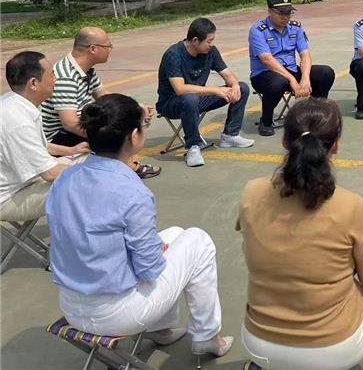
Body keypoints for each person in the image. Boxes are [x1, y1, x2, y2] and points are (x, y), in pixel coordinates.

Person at [46, 93, 232, 359]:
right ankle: (207, 336)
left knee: (175, 234)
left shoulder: (66, 177)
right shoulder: (131, 190)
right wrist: (156, 252)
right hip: (118, 313)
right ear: (134, 136)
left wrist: (155, 249)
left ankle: (162, 330)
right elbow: (149, 268)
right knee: (198, 240)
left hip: (73, 305)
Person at [238, 98, 363, 370]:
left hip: (259, 344)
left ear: (284, 141)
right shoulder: (351, 205)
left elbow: (250, 250)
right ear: (335, 145)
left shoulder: (251, 192)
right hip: (331, 352)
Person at [40, 27, 160, 179]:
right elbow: (69, 123)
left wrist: (134, 108)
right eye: (108, 46)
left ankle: (123, 163)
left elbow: (104, 96)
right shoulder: (66, 77)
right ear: (93, 49)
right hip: (60, 136)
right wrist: (105, 134)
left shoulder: (86, 70)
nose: (110, 49)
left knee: (119, 119)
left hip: (78, 125)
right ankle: (127, 166)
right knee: (116, 131)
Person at [1, 52, 87, 225]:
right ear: (34, 83)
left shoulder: (15, 102)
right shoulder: (18, 120)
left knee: (87, 159)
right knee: (87, 182)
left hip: (22, 182)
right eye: (52, 74)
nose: (56, 79)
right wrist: (96, 171)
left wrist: (72, 151)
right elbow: (49, 174)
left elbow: (38, 146)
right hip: (8, 197)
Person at [157, 17, 254, 168]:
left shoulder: (210, 51)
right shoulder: (174, 54)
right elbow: (180, 89)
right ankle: (193, 146)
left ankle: (230, 135)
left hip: (197, 99)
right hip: (172, 103)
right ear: (195, 40)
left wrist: (234, 84)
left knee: (242, 88)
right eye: (209, 41)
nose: (211, 44)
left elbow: (227, 74)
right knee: (190, 99)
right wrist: (216, 90)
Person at [249, 0, 336, 136]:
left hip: (291, 70)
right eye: (281, 13)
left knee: (325, 73)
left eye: (289, 13)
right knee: (278, 81)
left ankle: (314, 115)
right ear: (270, 11)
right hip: (265, 75)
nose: (285, 17)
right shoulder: (258, 30)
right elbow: (267, 60)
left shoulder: (295, 28)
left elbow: (305, 54)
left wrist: (305, 78)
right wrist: (292, 80)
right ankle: (266, 121)